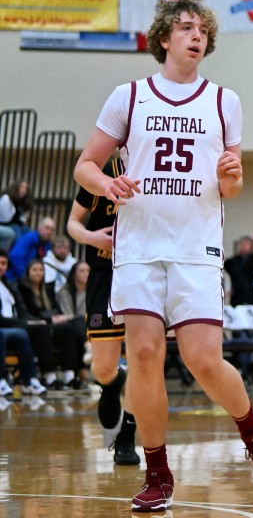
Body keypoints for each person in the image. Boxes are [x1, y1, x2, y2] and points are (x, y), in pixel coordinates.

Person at [73, 0, 253, 511]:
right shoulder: (129, 95)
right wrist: (105, 185)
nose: (197, 36)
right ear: (164, 37)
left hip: (195, 247)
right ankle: (157, 472)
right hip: (139, 245)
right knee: (143, 354)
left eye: (203, 30)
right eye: (187, 27)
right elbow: (85, 166)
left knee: (203, 359)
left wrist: (233, 176)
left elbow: (230, 187)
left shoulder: (223, 100)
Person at [67, 153, 139, 465]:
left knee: (143, 362)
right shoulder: (99, 173)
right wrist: (90, 236)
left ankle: (127, 436)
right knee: (103, 368)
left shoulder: (157, 169)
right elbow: (72, 223)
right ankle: (111, 385)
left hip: (142, 272)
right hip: (103, 273)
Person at [18, 257, 87, 390]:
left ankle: (69, 374)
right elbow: (24, 312)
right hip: (32, 324)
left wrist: (55, 318)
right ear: (28, 272)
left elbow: (54, 309)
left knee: (68, 329)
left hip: (48, 323)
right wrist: (48, 320)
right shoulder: (22, 288)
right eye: (35, 270)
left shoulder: (47, 289)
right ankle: (49, 375)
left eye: (41, 270)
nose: (38, 273)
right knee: (43, 329)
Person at [0, 250, 46, 398]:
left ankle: (31, 379)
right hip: (4, 326)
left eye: (4, 263)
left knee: (31, 331)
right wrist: (22, 322)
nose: (1, 266)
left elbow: (22, 310)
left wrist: (33, 321)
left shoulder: (9, 286)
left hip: (14, 327)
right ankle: (1, 381)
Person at [6, 216, 54, 281]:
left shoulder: (48, 244)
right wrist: (25, 277)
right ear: (40, 227)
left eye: (52, 229)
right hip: (15, 278)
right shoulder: (29, 238)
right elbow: (15, 256)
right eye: (47, 228)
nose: (49, 232)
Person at [224, 235, 253, 306]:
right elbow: (229, 268)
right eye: (242, 244)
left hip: (250, 295)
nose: (244, 247)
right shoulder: (232, 262)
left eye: (247, 245)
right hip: (236, 296)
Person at [0, 180, 31, 252]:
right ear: (15, 188)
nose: (24, 190)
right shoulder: (6, 198)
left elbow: (23, 219)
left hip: (16, 224)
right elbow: (6, 219)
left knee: (28, 233)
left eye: (26, 188)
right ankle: (15, 254)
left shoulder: (23, 201)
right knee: (17, 235)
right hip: (5, 223)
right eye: (21, 187)